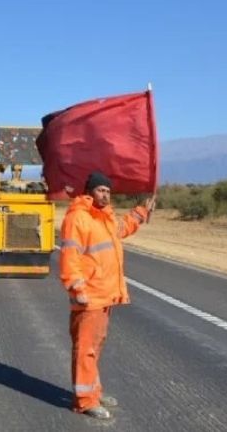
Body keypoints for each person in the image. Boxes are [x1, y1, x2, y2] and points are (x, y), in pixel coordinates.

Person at [59, 171, 156, 420]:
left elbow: (122, 228)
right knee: (85, 350)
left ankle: (94, 392)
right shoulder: (78, 218)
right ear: (89, 191)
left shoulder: (105, 217)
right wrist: (77, 289)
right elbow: (70, 257)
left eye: (108, 191)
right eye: (101, 190)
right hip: (89, 296)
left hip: (105, 295)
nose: (105, 194)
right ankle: (84, 400)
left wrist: (141, 212)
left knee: (95, 348)